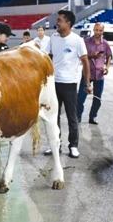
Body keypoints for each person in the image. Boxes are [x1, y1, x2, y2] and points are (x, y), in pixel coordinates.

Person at [43, 10, 92, 158]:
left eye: (59, 20)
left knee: (72, 117)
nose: (57, 23)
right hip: (54, 84)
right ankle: (55, 144)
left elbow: (85, 62)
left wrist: (87, 83)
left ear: (68, 23)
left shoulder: (77, 40)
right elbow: (47, 57)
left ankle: (73, 146)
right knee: (53, 117)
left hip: (70, 84)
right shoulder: (53, 38)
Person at [77, 23, 112, 125]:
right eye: (96, 30)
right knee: (81, 98)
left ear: (103, 31)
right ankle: (78, 116)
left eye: (100, 30)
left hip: (100, 75)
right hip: (87, 73)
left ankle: (93, 117)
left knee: (97, 99)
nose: (98, 32)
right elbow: (81, 56)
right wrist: (92, 55)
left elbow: (109, 56)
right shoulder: (86, 42)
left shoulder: (105, 44)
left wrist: (107, 67)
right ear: (93, 29)